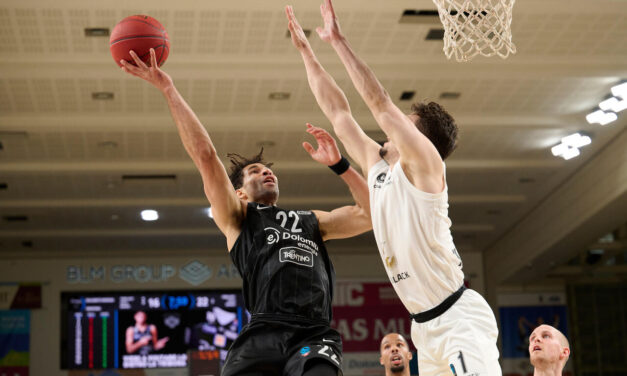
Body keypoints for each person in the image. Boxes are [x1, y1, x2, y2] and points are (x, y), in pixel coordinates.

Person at [120, 49, 371, 376]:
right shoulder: (238, 218)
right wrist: (169, 89)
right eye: (255, 172)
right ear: (239, 193)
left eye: (268, 171)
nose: (267, 173)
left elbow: (370, 214)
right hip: (263, 330)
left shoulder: (311, 221)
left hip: (314, 332)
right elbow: (206, 156)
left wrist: (341, 166)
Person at [286, 2, 501, 374]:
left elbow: (379, 103)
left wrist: (338, 42)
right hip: (423, 327)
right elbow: (338, 113)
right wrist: (307, 53)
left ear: (418, 138)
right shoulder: (380, 167)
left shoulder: (425, 167)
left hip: (458, 320)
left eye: (404, 123)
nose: (391, 127)